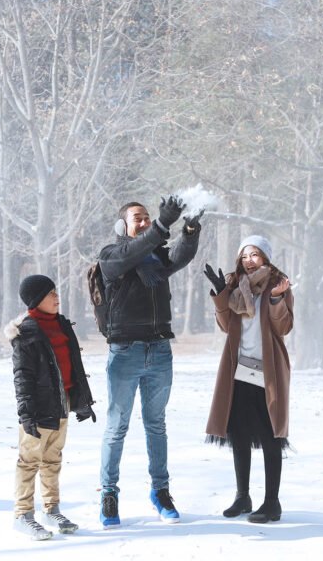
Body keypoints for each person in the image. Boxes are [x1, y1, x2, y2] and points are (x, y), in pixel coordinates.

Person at [98, 195, 202, 528]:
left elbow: (179, 257)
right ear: (122, 227)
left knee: (156, 425)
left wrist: (189, 228)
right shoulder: (112, 256)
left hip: (159, 351)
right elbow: (129, 255)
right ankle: (109, 495)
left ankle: (161, 491)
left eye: (147, 217)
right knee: (117, 427)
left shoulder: (155, 257)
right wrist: (159, 225)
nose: (144, 222)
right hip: (125, 353)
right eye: (137, 218)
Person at [204, 235, 293, 523]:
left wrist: (278, 298)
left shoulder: (277, 285)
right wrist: (221, 295)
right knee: (239, 435)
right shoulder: (234, 286)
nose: (249, 260)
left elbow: (284, 327)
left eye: (254, 254)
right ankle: (243, 497)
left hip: (268, 372)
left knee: (270, 436)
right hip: (238, 369)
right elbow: (226, 326)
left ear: (266, 257)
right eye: (244, 255)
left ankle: (272, 502)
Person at [4, 274, 96, 541]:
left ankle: (51, 509)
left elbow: (74, 367)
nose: (57, 297)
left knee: (53, 459)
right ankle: (22, 514)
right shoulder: (27, 332)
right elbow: (22, 376)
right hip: (38, 409)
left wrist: (82, 402)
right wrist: (25, 413)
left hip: (62, 404)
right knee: (29, 460)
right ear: (36, 300)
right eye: (50, 293)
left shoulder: (62, 325)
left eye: (56, 292)